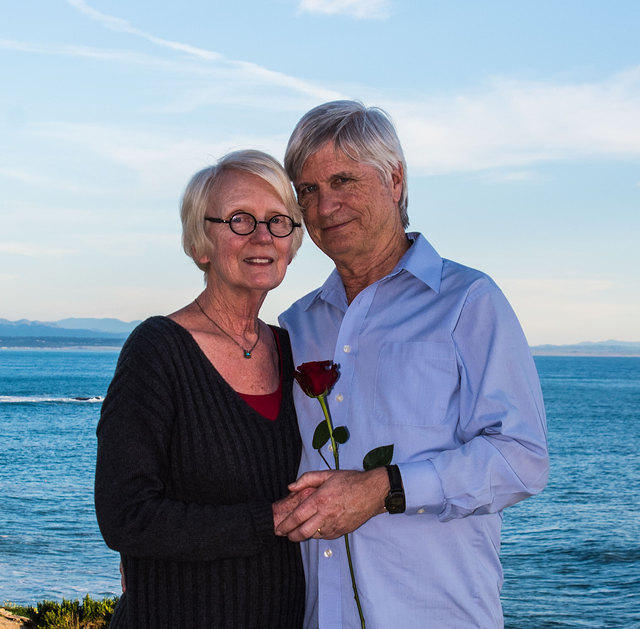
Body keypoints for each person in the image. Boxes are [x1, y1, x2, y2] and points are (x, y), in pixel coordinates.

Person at [275, 101, 550, 628]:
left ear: (395, 179)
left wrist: (384, 489)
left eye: (342, 180)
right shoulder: (297, 324)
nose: (324, 205)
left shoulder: (469, 301)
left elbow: (522, 458)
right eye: (307, 191)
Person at [95, 150, 310, 628]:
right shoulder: (157, 350)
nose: (262, 236)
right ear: (200, 243)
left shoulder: (294, 351)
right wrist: (269, 520)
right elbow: (125, 515)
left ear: (293, 243)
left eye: (279, 221)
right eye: (239, 220)